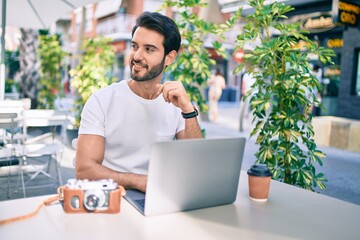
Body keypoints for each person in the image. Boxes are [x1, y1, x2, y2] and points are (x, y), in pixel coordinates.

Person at [75, 12, 203, 193]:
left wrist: (188, 110)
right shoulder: (102, 100)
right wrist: (140, 181)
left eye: (149, 49)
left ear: (169, 57)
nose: (137, 56)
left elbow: (196, 162)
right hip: (111, 196)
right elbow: (84, 169)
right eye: (135, 46)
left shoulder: (177, 104)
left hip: (160, 197)